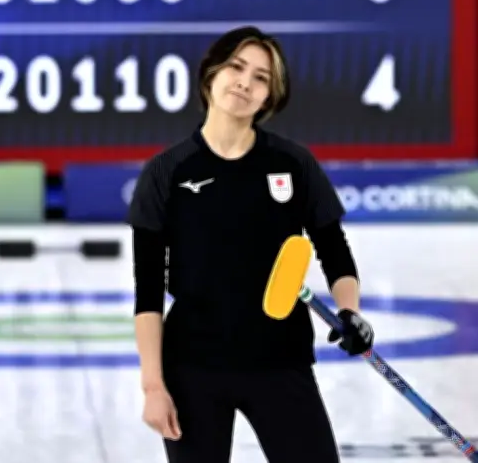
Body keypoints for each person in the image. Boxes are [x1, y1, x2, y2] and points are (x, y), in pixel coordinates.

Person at [126, 26, 375, 463]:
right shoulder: (166, 172)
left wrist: (350, 312)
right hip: (193, 369)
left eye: (261, 78)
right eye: (236, 67)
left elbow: (335, 252)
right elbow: (147, 293)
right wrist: (154, 386)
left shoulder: (293, 164)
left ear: (270, 97)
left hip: (280, 361)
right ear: (211, 74)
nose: (245, 83)